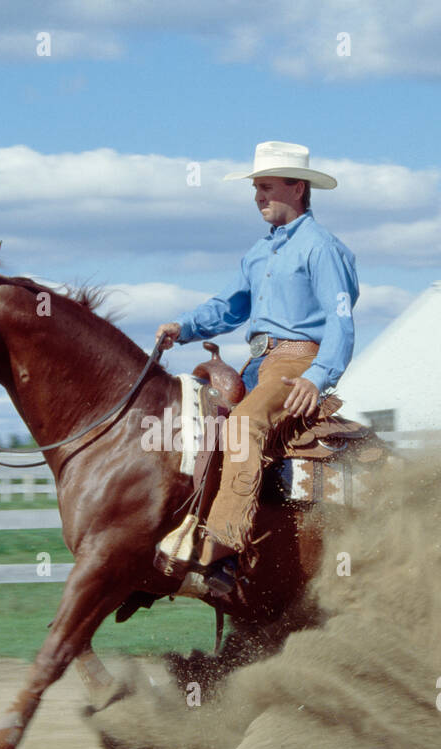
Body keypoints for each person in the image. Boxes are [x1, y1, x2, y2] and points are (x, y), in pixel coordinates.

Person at [154, 141, 359, 599]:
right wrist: (184, 327)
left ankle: (224, 541)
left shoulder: (323, 249)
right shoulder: (259, 253)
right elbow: (230, 307)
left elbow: (341, 322)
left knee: (245, 423)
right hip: (256, 362)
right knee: (192, 426)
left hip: (297, 363)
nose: (258, 196)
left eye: (266, 187)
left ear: (298, 188)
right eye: (256, 188)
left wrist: (319, 374)